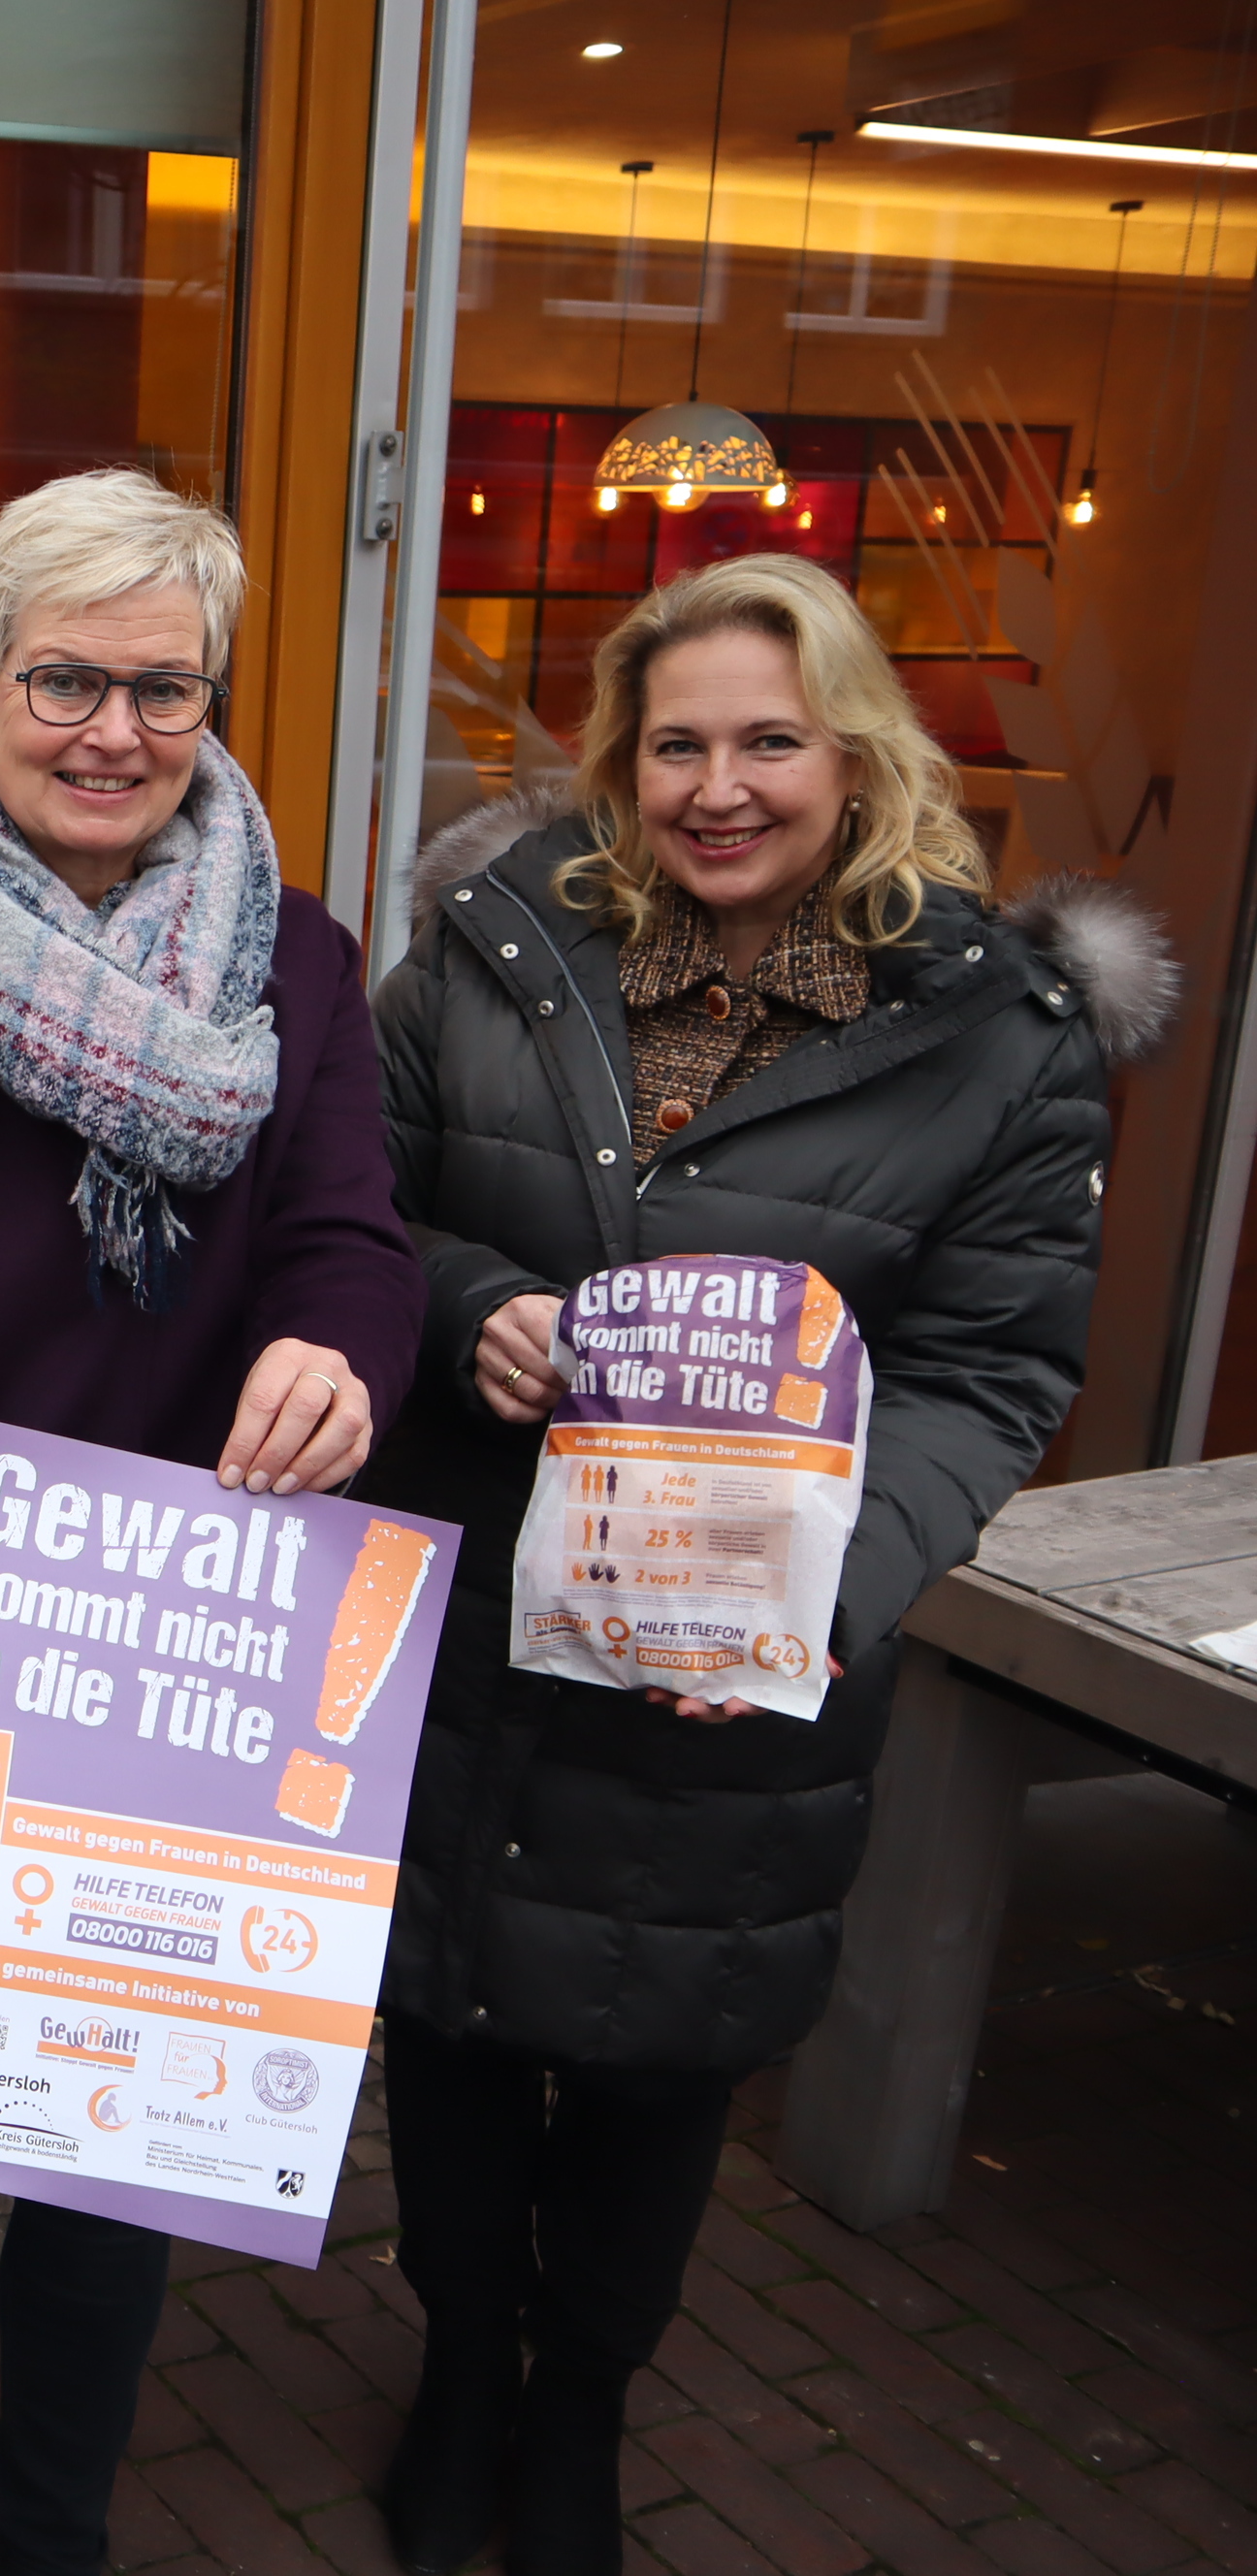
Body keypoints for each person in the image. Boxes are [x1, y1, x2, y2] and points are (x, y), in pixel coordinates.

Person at [369, 550, 1168, 2576]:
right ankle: (462, 2367)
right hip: (464, 1622)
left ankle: (579, 2413)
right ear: (621, 767)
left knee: (656, 2070)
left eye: (771, 741)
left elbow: (992, 1371)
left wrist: (824, 1598)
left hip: (730, 1672)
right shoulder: (493, 947)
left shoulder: (997, 1035)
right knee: (451, 2040)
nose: (721, 786)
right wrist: (465, 1300)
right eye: (678, 744)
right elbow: (348, 1214)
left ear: (858, 753)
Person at [0, 467, 425, 2569]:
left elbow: (353, 1237)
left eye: (164, 686)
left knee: (139, 2100)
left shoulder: (298, 961)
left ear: (213, 702)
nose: (114, 730)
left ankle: (55, 2500)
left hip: (209, 1624)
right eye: (66, 678)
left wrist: (343, 1354)